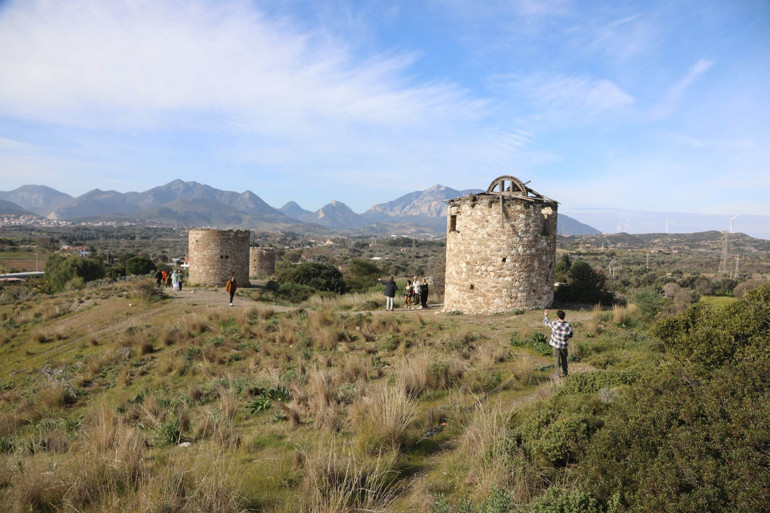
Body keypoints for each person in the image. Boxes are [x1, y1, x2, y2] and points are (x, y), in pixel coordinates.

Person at [544, 309, 574, 378]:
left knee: (557, 359)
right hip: (564, 345)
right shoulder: (568, 325)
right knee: (564, 360)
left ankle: (557, 374)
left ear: (557, 317)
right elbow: (571, 335)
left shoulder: (555, 323)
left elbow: (546, 322)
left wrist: (546, 315)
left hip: (556, 345)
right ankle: (565, 373)